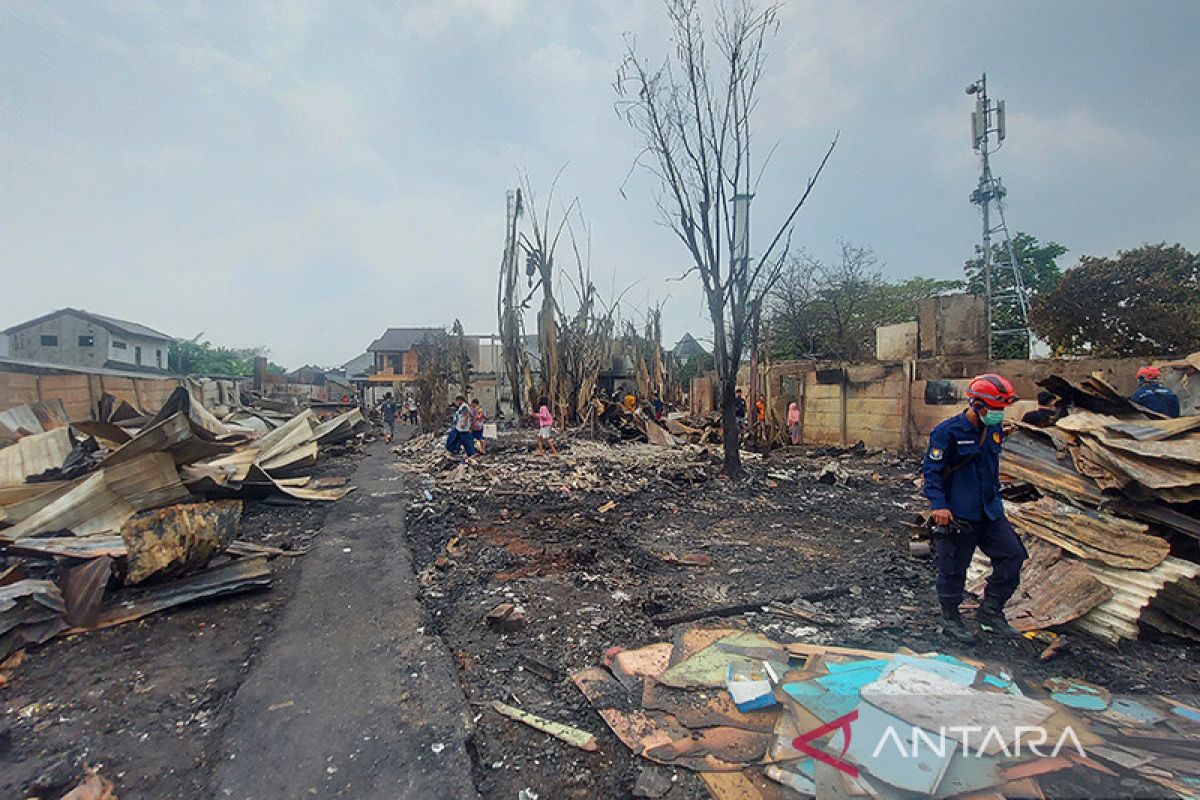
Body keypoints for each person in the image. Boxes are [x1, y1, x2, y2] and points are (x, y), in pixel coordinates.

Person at [921, 373, 1026, 644]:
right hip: (959, 514)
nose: (999, 415)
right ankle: (950, 617)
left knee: (1013, 556)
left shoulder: (991, 429)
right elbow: (931, 473)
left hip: (989, 511)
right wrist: (939, 506)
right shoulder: (947, 432)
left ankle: (991, 610)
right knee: (954, 567)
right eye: (995, 409)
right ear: (977, 404)